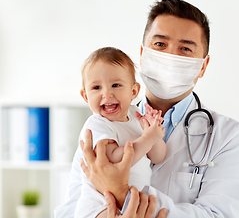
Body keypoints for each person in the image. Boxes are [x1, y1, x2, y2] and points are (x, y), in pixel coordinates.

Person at [57, 0, 239, 218]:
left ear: (203, 66)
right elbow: (70, 210)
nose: (170, 56)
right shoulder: (102, 125)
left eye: (185, 48)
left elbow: (219, 215)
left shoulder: (230, 138)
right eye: (160, 44)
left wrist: (121, 192)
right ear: (142, 54)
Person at [56, 47, 166, 218]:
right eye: (96, 88)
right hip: (99, 205)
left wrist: (154, 134)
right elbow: (115, 160)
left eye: (115, 85)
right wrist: (147, 138)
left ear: (133, 91)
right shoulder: (96, 125)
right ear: (85, 97)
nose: (106, 94)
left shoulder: (135, 116)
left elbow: (158, 157)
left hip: (131, 202)